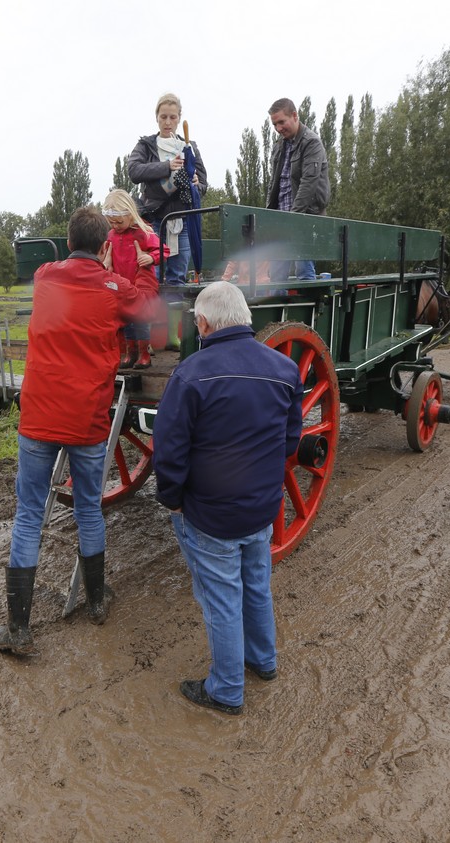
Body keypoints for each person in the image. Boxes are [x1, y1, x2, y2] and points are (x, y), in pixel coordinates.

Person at [0, 206, 160, 655]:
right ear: (105, 246)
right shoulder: (113, 287)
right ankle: (97, 602)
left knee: (29, 514)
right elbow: (147, 305)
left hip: (39, 416)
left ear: (68, 243)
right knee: (89, 509)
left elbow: (60, 271)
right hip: (87, 419)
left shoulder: (45, 275)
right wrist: (145, 269)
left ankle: (19, 628)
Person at [153, 281, 303, 715]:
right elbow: (290, 441)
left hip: (211, 513)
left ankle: (226, 690)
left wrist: (172, 499)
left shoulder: (190, 374)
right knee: (256, 585)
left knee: (220, 600)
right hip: (262, 507)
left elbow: (170, 451)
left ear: (203, 323)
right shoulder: (284, 369)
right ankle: (264, 660)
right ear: (245, 318)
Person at [128, 92, 207, 286]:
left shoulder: (189, 147)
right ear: (156, 117)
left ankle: (175, 308)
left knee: (177, 277)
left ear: (179, 118)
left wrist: (195, 184)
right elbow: (134, 171)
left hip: (183, 221)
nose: (168, 122)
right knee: (151, 277)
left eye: (172, 117)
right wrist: (166, 167)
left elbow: (203, 185)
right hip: (154, 220)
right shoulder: (146, 145)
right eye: (163, 117)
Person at [266, 98, 329, 281]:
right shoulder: (279, 146)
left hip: (304, 218)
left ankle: (310, 302)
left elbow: (309, 183)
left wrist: (293, 219)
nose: (278, 128)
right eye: (274, 124)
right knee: (276, 276)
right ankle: (279, 301)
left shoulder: (311, 143)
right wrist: (269, 214)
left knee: (304, 271)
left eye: (281, 122)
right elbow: (274, 183)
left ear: (294, 116)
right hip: (281, 218)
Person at [101, 189, 161, 369]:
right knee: (126, 319)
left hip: (139, 284)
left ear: (130, 214)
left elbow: (162, 250)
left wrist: (150, 257)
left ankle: (144, 354)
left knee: (140, 319)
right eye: (111, 222)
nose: (116, 226)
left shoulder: (143, 232)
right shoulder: (111, 236)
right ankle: (130, 353)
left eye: (119, 222)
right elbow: (106, 253)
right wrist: (106, 262)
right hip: (122, 285)